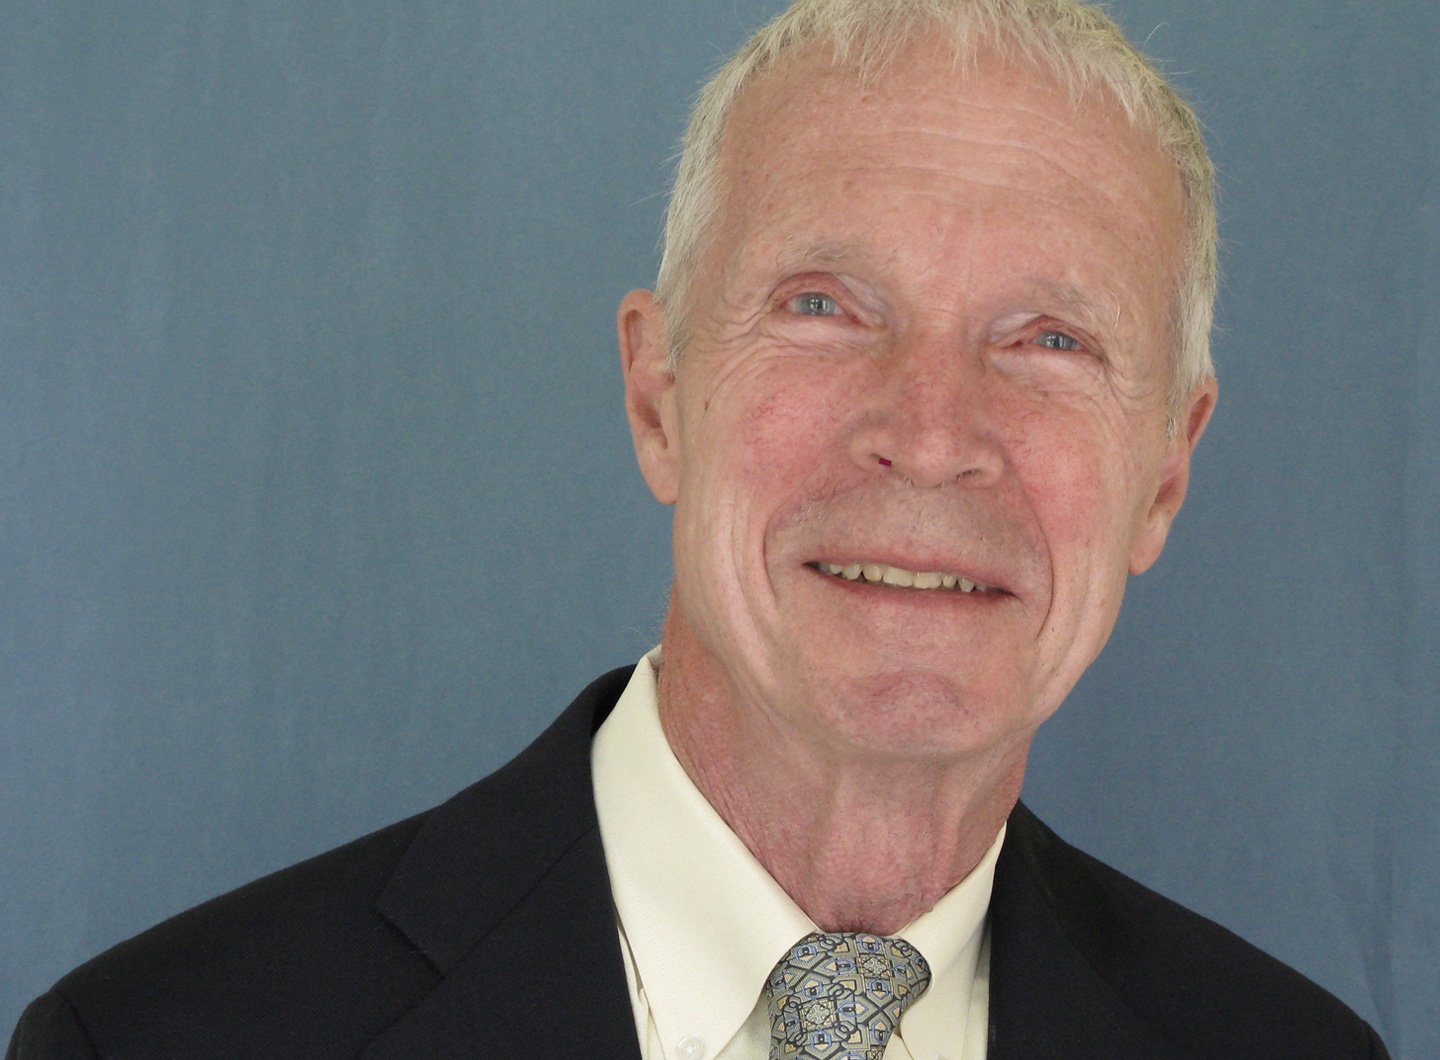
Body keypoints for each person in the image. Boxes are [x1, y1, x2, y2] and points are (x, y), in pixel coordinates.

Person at [8, 0, 1391, 1057]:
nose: (932, 429)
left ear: (1164, 475)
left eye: (1049, 339)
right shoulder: (156, 1040)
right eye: (824, 305)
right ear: (659, 393)